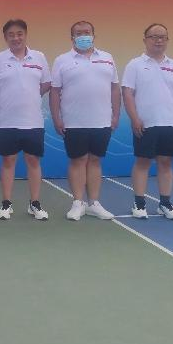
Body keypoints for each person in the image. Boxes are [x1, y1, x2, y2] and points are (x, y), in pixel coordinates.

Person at [50, 21, 120, 221]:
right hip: (74, 121)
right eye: (78, 33)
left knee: (95, 160)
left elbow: (115, 88)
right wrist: (57, 118)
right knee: (78, 160)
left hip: (102, 120)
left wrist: (116, 115)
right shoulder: (62, 60)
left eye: (87, 32)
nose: (83, 36)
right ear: (72, 38)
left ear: (93, 35)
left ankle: (94, 203)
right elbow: (54, 92)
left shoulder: (107, 58)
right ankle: (78, 202)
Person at [0, 19, 51, 221]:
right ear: (6, 38)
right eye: (11, 35)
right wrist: (6, 100)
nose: (16, 38)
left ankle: (35, 203)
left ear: (25, 34)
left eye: (19, 34)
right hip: (7, 121)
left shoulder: (39, 57)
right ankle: (6, 204)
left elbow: (46, 83)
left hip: (33, 121)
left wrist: (31, 97)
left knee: (33, 161)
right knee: (8, 161)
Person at [122, 23, 173, 220]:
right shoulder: (135, 64)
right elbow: (127, 93)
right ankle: (139, 203)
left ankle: (165, 204)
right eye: (154, 36)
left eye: (162, 37)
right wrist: (134, 118)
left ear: (167, 40)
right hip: (146, 123)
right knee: (143, 161)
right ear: (145, 40)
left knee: (166, 162)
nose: (158, 40)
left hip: (170, 123)